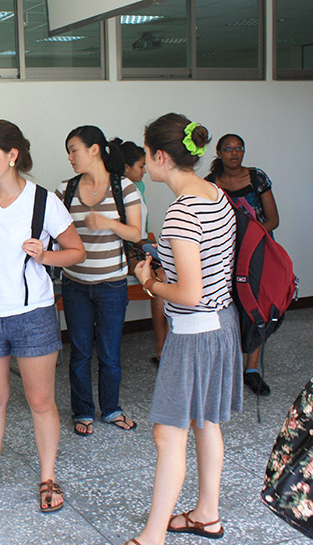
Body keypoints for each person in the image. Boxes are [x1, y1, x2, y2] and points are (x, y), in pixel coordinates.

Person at [0, 120, 85, 512]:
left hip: (32, 315)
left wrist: (45, 256)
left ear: (13, 156)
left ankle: (48, 476)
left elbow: (76, 251)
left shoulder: (44, 201)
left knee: (41, 401)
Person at [125, 113, 241, 545]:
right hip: (221, 323)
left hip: (194, 331)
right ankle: (207, 515)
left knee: (168, 432)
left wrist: (150, 281)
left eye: (145, 155)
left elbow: (189, 292)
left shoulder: (180, 213)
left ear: (159, 156)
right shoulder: (215, 194)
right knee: (205, 422)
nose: (144, 164)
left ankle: (152, 536)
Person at [57, 126, 142, 437]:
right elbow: (53, 232)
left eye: (74, 149)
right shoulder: (64, 189)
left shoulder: (125, 188)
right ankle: (82, 410)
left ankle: (112, 409)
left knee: (109, 351)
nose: (69, 157)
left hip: (112, 284)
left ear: (95, 149)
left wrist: (107, 223)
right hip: (75, 283)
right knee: (80, 352)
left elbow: (136, 233)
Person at [205, 133, 279, 397]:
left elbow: (273, 219)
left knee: (256, 309)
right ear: (219, 152)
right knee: (228, 309)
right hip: (224, 256)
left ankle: (251, 370)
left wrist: (250, 240)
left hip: (258, 254)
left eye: (239, 148)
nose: (234, 153)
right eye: (228, 149)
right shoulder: (210, 184)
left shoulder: (257, 178)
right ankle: (228, 366)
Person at [115, 138, 168, 366]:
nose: (144, 171)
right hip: (124, 250)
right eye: (140, 166)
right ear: (127, 168)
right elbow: (125, 233)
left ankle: (165, 344)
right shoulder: (117, 190)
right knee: (158, 279)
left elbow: (142, 230)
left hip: (140, 246)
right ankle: (161, 346)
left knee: (166, 275)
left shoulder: (140, 187)